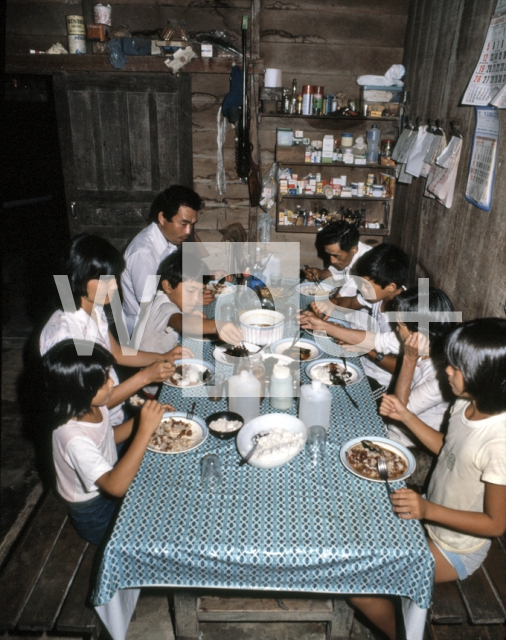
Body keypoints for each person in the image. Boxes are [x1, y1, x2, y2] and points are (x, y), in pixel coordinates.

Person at [349, 318, 506, 640]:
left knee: (356, 582)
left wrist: (426, 510)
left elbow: (495, 524)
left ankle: (404, 636)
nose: (447, 370)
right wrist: (406, 417)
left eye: (457, 366)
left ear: (487, 377)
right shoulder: (467, 404)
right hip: (430, 519)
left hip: (457, 549)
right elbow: (448, 449)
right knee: (356, 520)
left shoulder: (499, 443)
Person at [39, 234, 189, 425]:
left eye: (114, 278)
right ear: (78, 279)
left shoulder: (92, 308)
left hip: (115, 412)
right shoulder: (67, 335)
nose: (114, 286)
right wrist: (146, 376)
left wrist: (163, 356)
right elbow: (89, 404)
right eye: (104, 280)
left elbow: (117, 353)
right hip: (95, 428)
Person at [43, 339, 173, 545]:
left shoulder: (90, 404)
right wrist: (145, 430)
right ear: (82, 389)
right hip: (96, 513)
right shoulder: (73, 438)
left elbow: (107, 437)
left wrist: (141, 421)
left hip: (111, 479)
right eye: (104, 380)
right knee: (160, 533)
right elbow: (115, 487)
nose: (112, 382)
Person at [301, 243, 410, 391]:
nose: (361, 288)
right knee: (311, 364)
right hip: (363, 362)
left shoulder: (406, 316)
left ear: (390, 286)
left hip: (382, 381)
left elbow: (405, 367)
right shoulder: (380, 296)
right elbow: (353, 302)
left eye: (366, 285)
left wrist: (364, 349)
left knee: (324, 389)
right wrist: (330, 303)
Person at [122, 185, 215, 335]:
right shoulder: (143, 254)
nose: (188, 231)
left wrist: (209, 274)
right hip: (143, 333)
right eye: (183, 224)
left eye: (192, 225)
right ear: (162, 218)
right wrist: (194, 298)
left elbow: (174, 276)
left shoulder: (167, 240)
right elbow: (152, 305)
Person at [385, 287, 458, 449]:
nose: (397, 328)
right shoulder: (423, 348)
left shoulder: (442, 376)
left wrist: (409, 359)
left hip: (410, 447)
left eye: (401, 324)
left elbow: (396, 412)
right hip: (391, 432)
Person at [138, 248, 243, 354]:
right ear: (167, 286)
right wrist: (217, 326)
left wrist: (190, 315)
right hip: (155, 365)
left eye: (200, 292)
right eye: (191, 291)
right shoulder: (163, 306)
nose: (196, 299)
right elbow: (182, 322)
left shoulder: (173, 298)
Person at [303, 221, 371, 301]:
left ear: (354, 249)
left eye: (336, 256)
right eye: (329, 255)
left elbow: (339, 298)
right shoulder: (350, 250)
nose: (332, 261)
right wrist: (319, 273)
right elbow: (333, 273)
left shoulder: (367, 263)